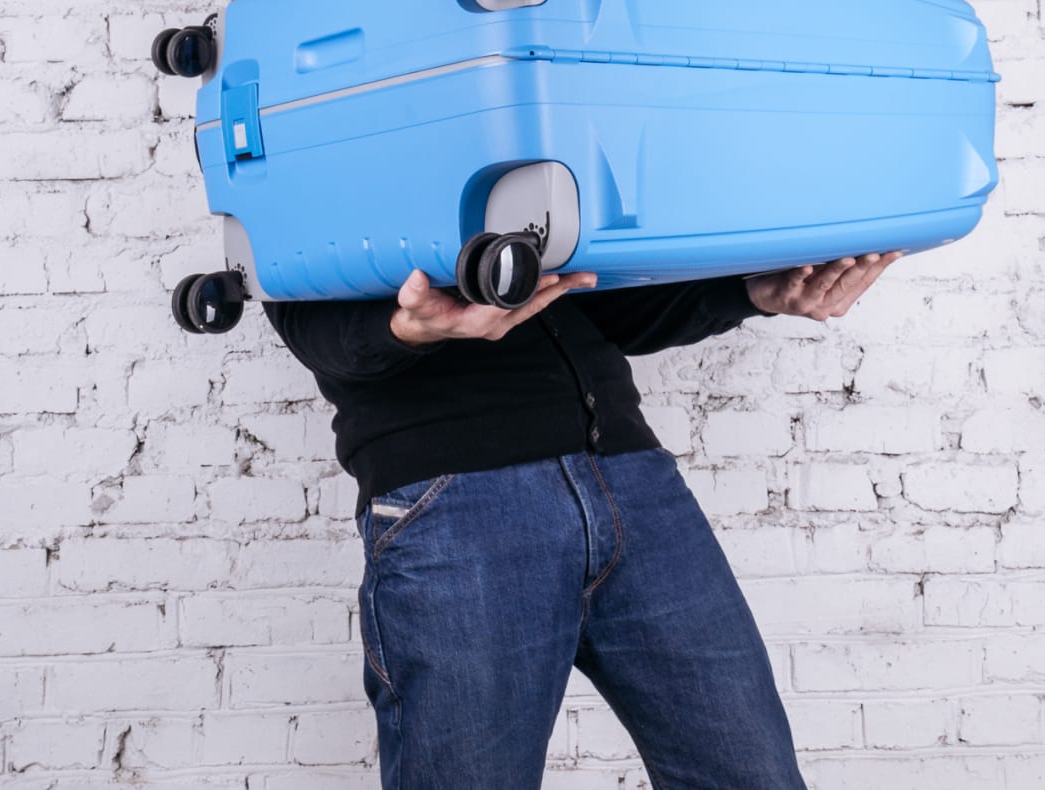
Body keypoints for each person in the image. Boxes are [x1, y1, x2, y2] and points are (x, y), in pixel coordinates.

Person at [264, 252, 901, 790]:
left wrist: (751, 293)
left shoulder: (518, 121)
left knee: (751, 773)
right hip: (457, 509)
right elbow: (304, 315)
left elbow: (587, 304)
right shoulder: (288, 121)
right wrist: (403, 327)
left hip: (632, 480)